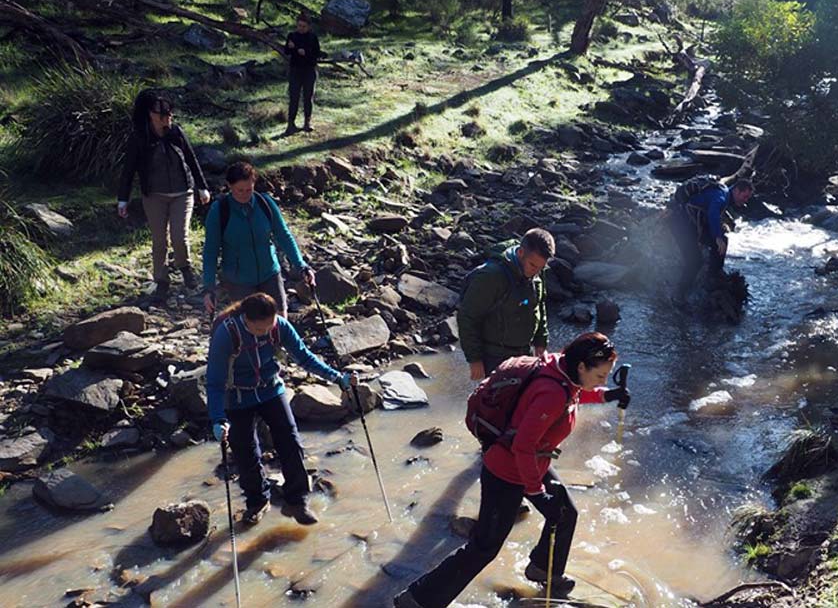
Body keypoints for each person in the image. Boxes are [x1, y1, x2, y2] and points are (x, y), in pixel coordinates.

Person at [393, 332, 632, 608]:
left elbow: (575, 394)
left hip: (531, 463)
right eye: (601, 376)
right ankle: (417, 600)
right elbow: (522, 446)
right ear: (581, 367)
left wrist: (608, 395)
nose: (602, 381)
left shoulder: (561, 369)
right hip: (505, 471)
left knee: (566, 513)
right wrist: (537, 494)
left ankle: (543, 569)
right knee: (484, 548)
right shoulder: (552, 394)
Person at [207, 292, 357, 525]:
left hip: (270, 390)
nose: (266, 332)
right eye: (260, 330)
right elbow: (215, 382)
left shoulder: (279, 327)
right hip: (236, 397)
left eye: (271, 325)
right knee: (246, 453)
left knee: (290, 440)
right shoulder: (227, 334)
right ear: (246, 320)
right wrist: (218, 419)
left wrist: (337, 378)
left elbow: (304, 357)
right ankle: (257, 502)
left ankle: (297, 502)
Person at [117, 91, 212, 300]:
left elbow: (191, 159)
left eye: (169, 114)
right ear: (150, 115)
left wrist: (202, 187)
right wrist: (122, 199)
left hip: (182, 193)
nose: (167, 118)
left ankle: (185, 267)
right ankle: (161, 280)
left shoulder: (177, 132)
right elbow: (129, 169)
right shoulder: (140, 137)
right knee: (159, 240)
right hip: (154, 196)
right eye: (162, 114)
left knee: (180, 236)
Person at [202, 161, 315, 318]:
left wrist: (301, 265)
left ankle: (277, 344)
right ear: (229, 186)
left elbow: (283, 235)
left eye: (249, 189)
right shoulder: (219, 211)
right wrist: (209, 287)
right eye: (239, 190)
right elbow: (210, 252)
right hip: (238, 280)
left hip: (270, 273)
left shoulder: (265, 203)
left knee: (279, 321)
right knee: (249, 327)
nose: (245, 194)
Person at [457, 228, 555, 380]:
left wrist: (541, 343)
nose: (536, 272)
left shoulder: (536, 271)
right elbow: (467, 317)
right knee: (500, 402)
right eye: (533, 266)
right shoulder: (491, 277)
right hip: (495, 357)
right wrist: (474, 360)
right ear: (521, 252)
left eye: (541, 268)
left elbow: (539, 305)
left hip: (525, 353)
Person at [668, 176, 753, 304]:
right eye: (744, 196)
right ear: (736, 191)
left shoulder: (723, 193)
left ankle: (713, 275)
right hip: (680, 223)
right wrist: (717, 237)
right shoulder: (722, 196)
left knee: (722, 241)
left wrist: (718, 237)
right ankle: (678, 295)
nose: (745, 201)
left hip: (689, 221)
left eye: (748, 198)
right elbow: (713, 213)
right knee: (695, 261)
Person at [284, 14, 323, 135]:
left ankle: (307, 122)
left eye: (303, 26)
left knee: (308, 97)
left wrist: (305, 52)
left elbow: (317, 53)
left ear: (309, 27)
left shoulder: (312, 37)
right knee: (294, 97)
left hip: (309, 70)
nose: (301, 28)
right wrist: (291, 48)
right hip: (295, 70)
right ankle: (291, 124)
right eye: (299, 26)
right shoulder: (292, 36)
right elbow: (286, 51)